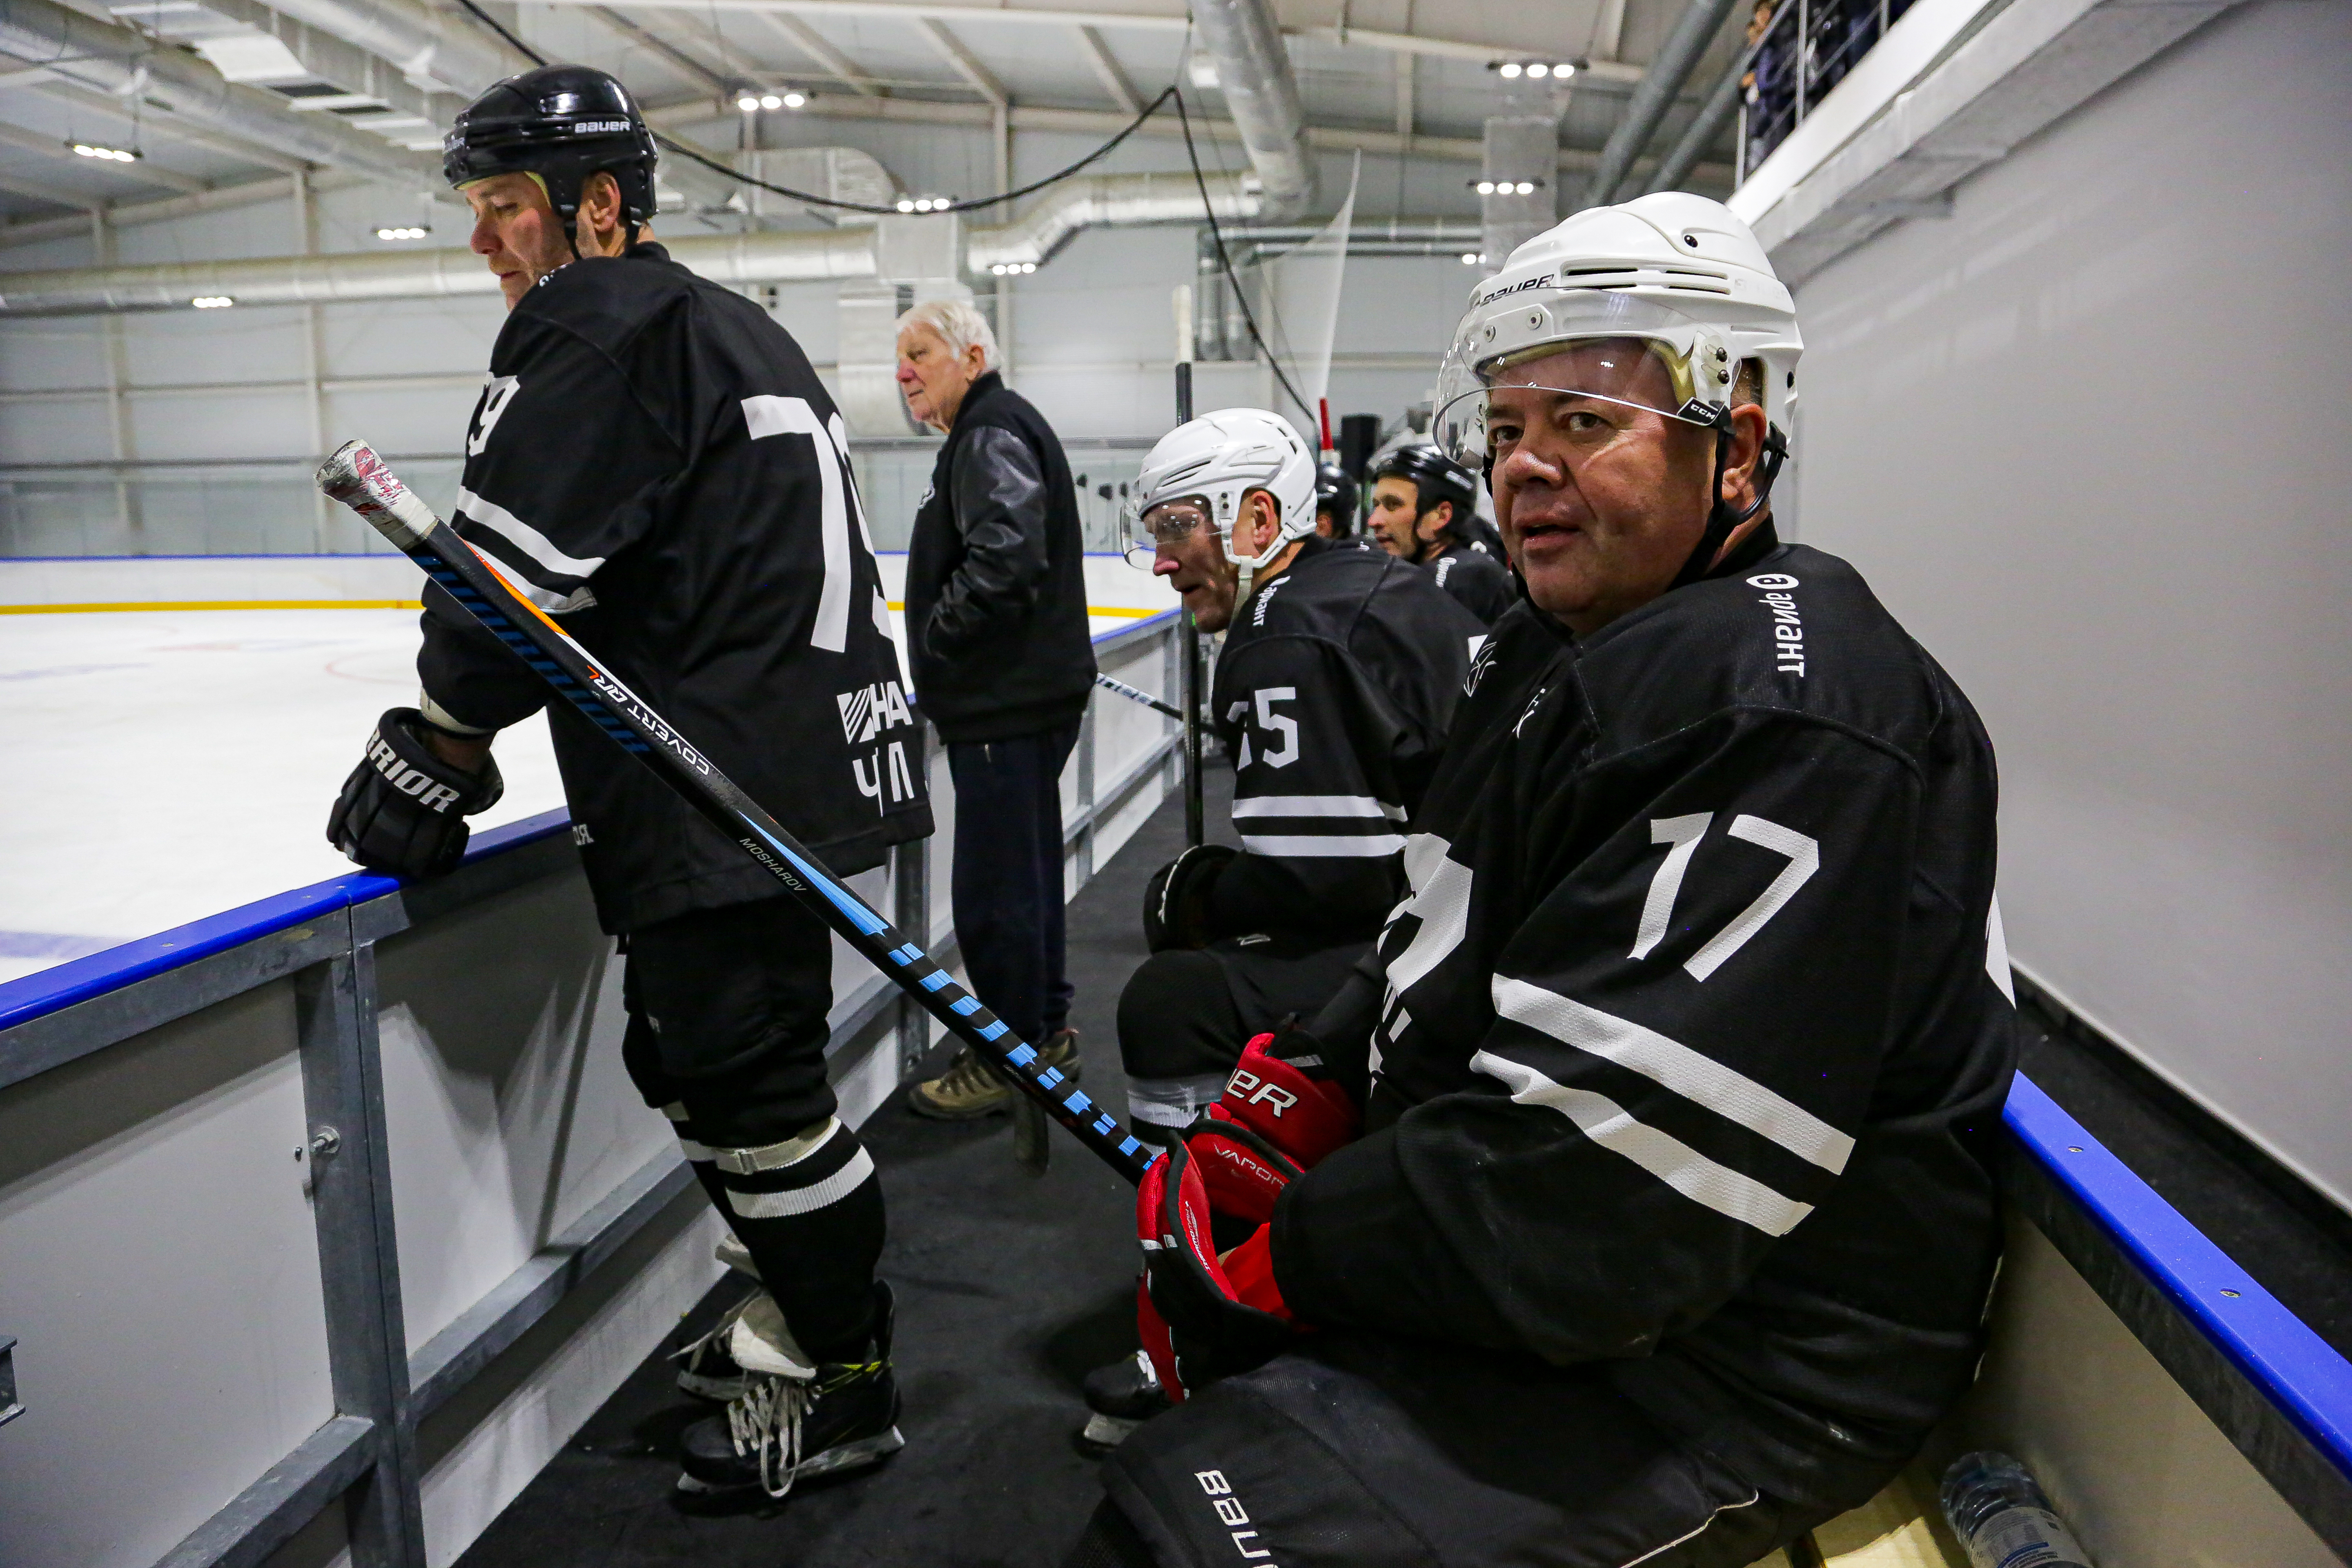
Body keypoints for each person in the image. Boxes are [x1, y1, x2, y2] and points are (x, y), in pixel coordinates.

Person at [1074, 193, 2020, 1568]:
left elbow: (1605, 1204)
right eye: (1507, 429)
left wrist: (1295, 1250)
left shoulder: (1782, 706)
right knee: (1176, 1475)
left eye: (1583, 421)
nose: (1523, 468)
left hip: (1735, 1363)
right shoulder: (1549, 646)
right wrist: (1316, 1072)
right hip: (1580, 1282)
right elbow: (1436, 926)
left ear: (1739, 440)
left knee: (1174, 1544)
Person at [323, 65, 929, 1503]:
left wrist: (441, 737)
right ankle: (813, 1325)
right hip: (794, 756)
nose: (488, 243)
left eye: (508, 208)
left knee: (750, 1084)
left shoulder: (592, 326)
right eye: (478, 210)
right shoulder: (730, 325)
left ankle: (847, 1385)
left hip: (715, 779)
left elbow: (509, 586)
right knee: (713, 1068)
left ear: (599, 208)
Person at [1078, 408, 1483, 1449]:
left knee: (1173, 1000)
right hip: (1486, 921)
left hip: (1432, 953)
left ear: (1256, 516)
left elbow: (1326, 877)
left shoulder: (1279, 632)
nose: (1163, 562)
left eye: (1178, 529)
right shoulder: (1383, 586)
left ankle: (1205, 1300)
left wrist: (1205, 892)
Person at [895, 300, 1095, 1125]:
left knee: (994, 892)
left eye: (921, 353)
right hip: (1017, 699)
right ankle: (1042, 1036)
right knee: (1027, 876)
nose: (904, 371)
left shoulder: (987, 432)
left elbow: (1007, 555)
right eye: (899, 358)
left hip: (1002, 701)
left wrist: (940, 641)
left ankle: (1012, 1054)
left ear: (973, 358)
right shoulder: (991, 428)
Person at [1367, 442, 1518, 624]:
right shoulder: (1479, 566)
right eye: (1376, 505)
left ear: (1441, 516)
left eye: (1393, 505)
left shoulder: (1464, 579)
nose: (1374, 521)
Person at [1311, 455, 1359, 540]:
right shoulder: (1294, 550)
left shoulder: (1360, 550)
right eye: (1317, 516)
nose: (1322, 524)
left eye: (1326, 517)